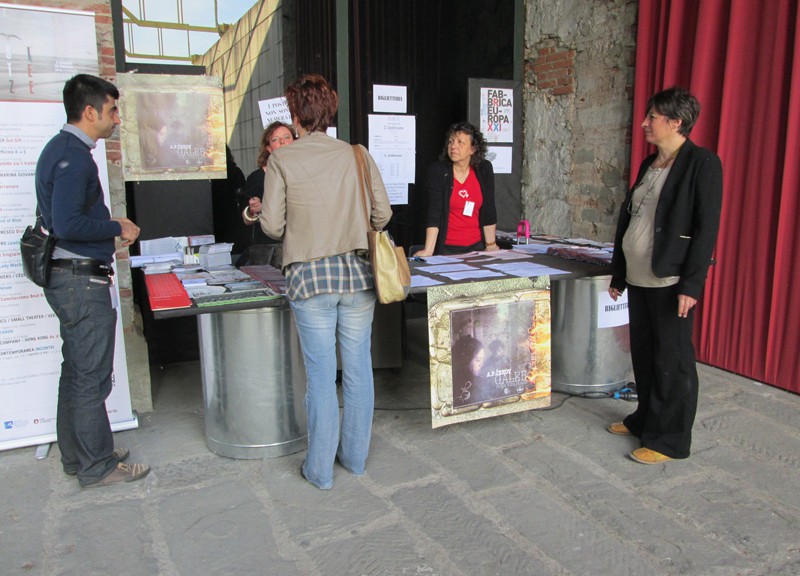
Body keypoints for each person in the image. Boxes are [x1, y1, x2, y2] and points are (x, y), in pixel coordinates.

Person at [261, 74, 392, 489]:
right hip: (357, 276)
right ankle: (354, 459)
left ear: (296, 115)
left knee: (320, 377)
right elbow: (383, 214)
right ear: (329, 112)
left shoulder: (282, 160)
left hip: (309, 279)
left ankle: (319, 470)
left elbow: (271, 226)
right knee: (358, 371)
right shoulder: (356, 154)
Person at [35, 74, 150, 487]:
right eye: (112, 110)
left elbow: (63, 220)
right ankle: (97, 465)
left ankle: (79, 455)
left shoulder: (60, 150)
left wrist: (108, 223)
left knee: (76, 371)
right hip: (80, 283)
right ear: (89, 111)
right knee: (90, 377)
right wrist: (116, 226)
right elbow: (67, 224)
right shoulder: (74, 157)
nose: (117, 118)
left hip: (69, 279)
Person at [607, 87, 722, 465]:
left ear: (676, 122)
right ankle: (645, 419)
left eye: (652, 117)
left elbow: (706, 230)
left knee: (672, 361)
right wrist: (619, 274)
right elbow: (632, 220)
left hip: (670, 281)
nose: (644, 123)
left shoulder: (701, 163)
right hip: (639, 277)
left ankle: (670, 440)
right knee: (644, 355)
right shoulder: (650, 164)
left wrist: (692, 285)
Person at [415, 122, 499, 257]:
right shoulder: (438, 171)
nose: (453, 146)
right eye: (451, 142)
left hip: (476, 247)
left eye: (460, 142)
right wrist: (428, 250)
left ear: (473, 149)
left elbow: (489, 209)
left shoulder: (484, 169)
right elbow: (434, 214)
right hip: (447, 249)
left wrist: (491, 245)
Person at [238, 121, 295, 266]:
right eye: (275, 139)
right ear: (269, 148)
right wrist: (254, 210)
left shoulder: (304, 173)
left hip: (299, 247)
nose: (282, 142)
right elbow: (246, 219)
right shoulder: (257, 178)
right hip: (270, 251)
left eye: (287, 137)